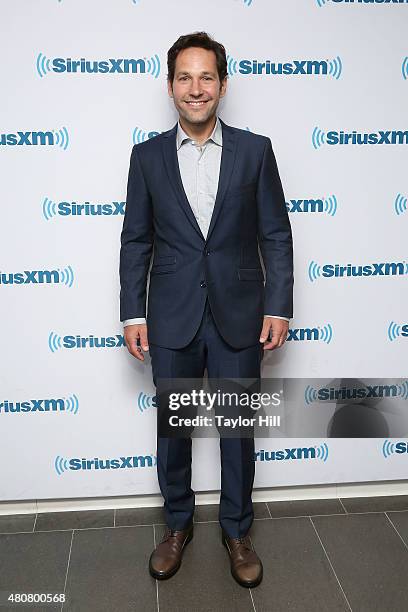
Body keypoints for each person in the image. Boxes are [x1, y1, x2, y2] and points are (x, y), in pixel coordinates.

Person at [119, 31, 293, 588]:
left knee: (237, 429)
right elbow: (136, 241)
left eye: (207, 77)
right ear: (170, 85)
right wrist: (132, 313)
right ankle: (177, 525)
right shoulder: (145, 157)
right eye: (185, 77)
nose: (196, 89)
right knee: (175, 429)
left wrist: (280, 305)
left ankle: (237, 532)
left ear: (222, 83)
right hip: (170, 314)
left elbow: (276, 233)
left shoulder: (256, 150)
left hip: (240, 311)